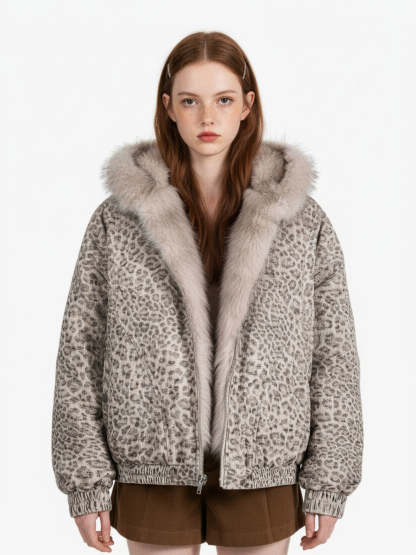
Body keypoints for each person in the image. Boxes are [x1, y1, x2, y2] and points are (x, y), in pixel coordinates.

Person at [51, 31, 363, 554]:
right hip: (152, 458)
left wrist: (329, 479)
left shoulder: (300, 221)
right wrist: (84, 480)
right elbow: (80, 349)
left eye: (223, 99)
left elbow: (333, 356)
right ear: (168, 108)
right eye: (190, 101)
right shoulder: (118, 221)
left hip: (263, 460)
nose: (207, 117)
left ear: (247, 105)